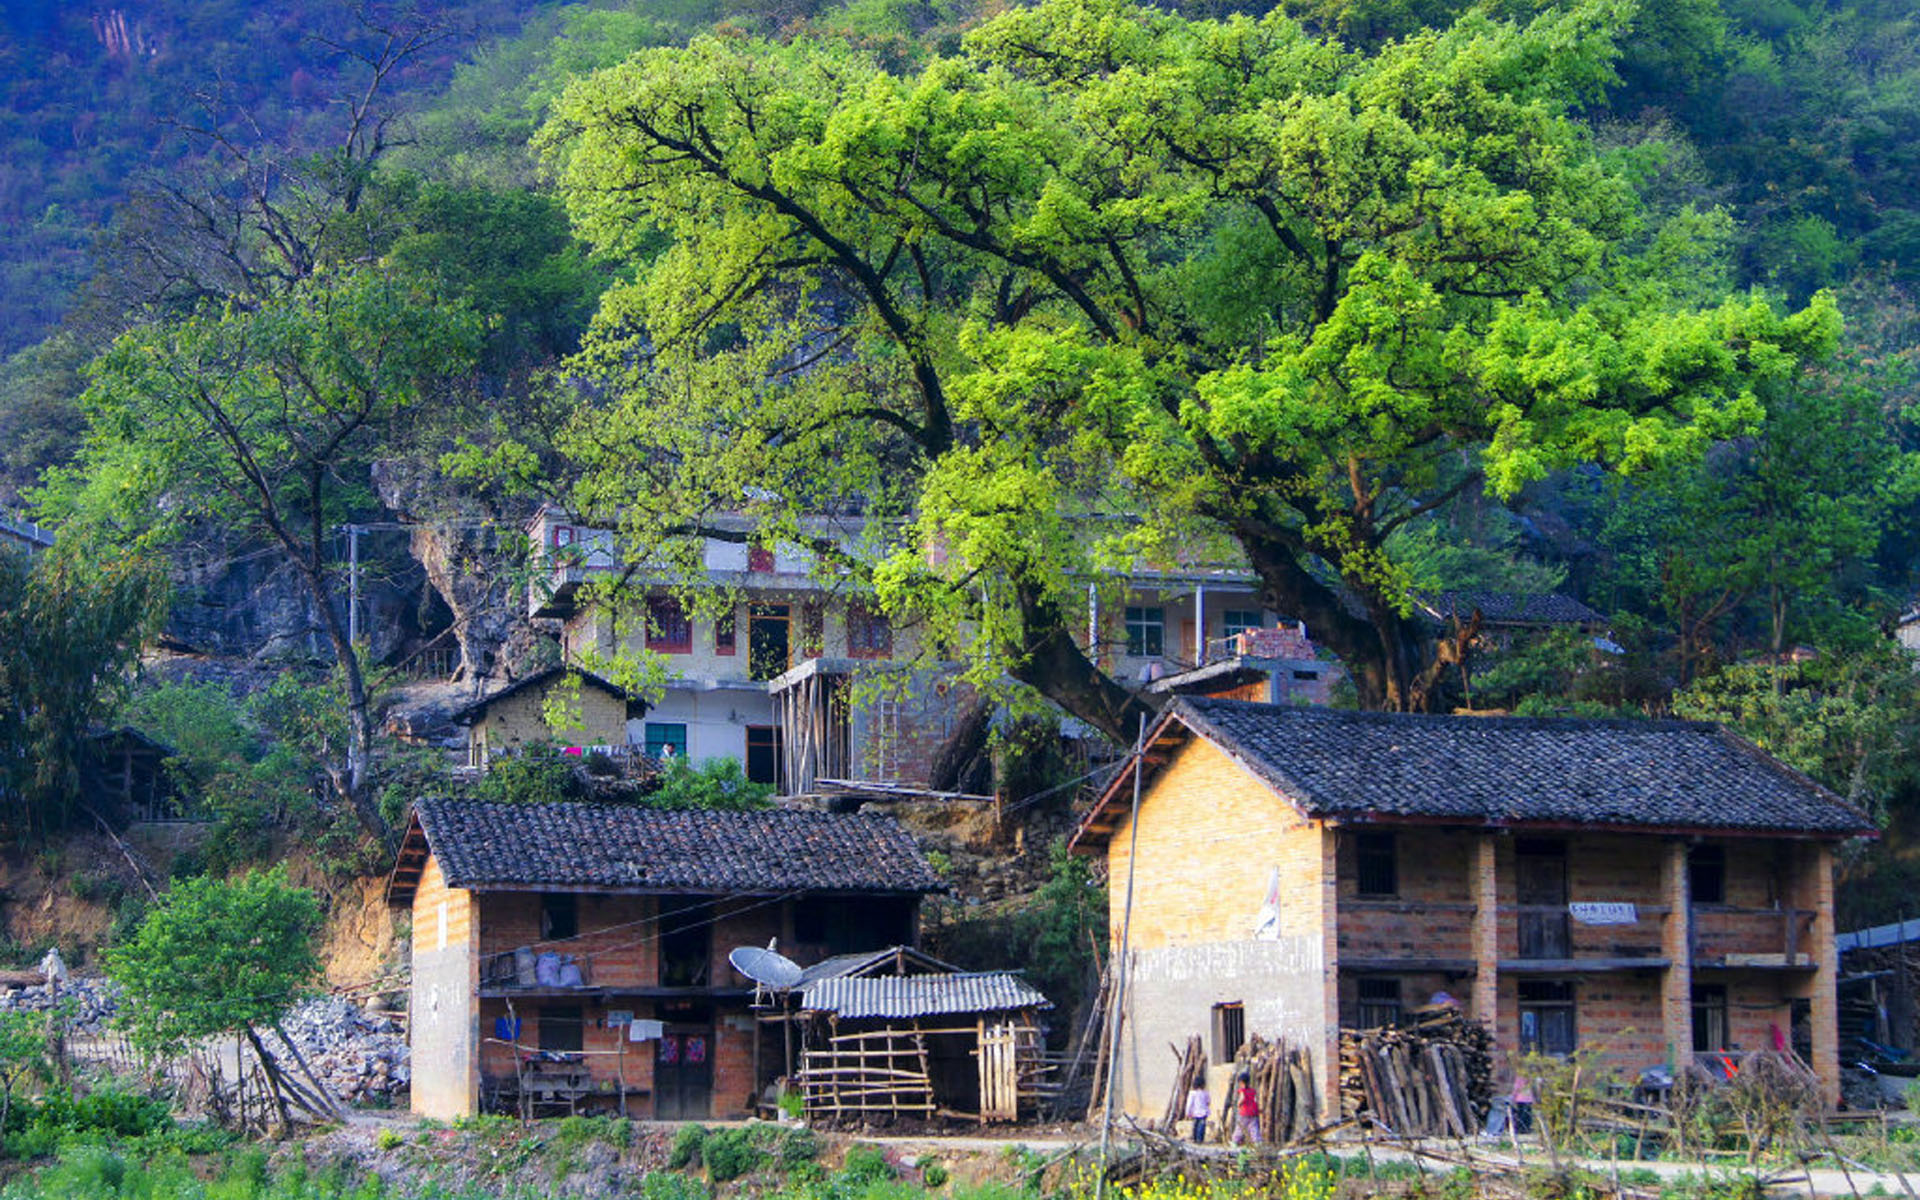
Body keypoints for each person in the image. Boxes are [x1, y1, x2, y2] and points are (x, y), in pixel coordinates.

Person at [1231, 1076, 1261, 1145]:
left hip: (1244, 1112)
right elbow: (1256, 1100)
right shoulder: (1253, 1091)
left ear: (1241, 1083)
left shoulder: (1242, 1090)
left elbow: (1242, 1097)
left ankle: (1235, 1141)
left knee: (1240, 1127)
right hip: (1253, 1111)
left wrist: (1239, 1104)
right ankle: (1257, 1142)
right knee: (1254, 1127)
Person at [1510, 1069, 1536, 1135]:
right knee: (1523, 1115)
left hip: (1525, 1099)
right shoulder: (1521, 1079)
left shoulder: (1530, 1079)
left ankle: (1525, 1128)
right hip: (1522, 1099)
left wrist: (1513, 1097)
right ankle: (1522, 1128)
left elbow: (1515, 1088)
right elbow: (1516, 1088)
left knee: (1525, 1115)